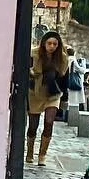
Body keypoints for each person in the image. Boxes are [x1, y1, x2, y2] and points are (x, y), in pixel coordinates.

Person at [27, 29, 69, 166]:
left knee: (49, 121)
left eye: (55, 44)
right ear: (44, 43)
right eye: (49, 43)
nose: (52, 46)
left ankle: (42, 155)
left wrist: (64, 98)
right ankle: (30, 151)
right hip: (35, 92)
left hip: (53, 93)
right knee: (33, 125)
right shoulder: (33, 54)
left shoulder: (62, 58)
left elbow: (64, 78)